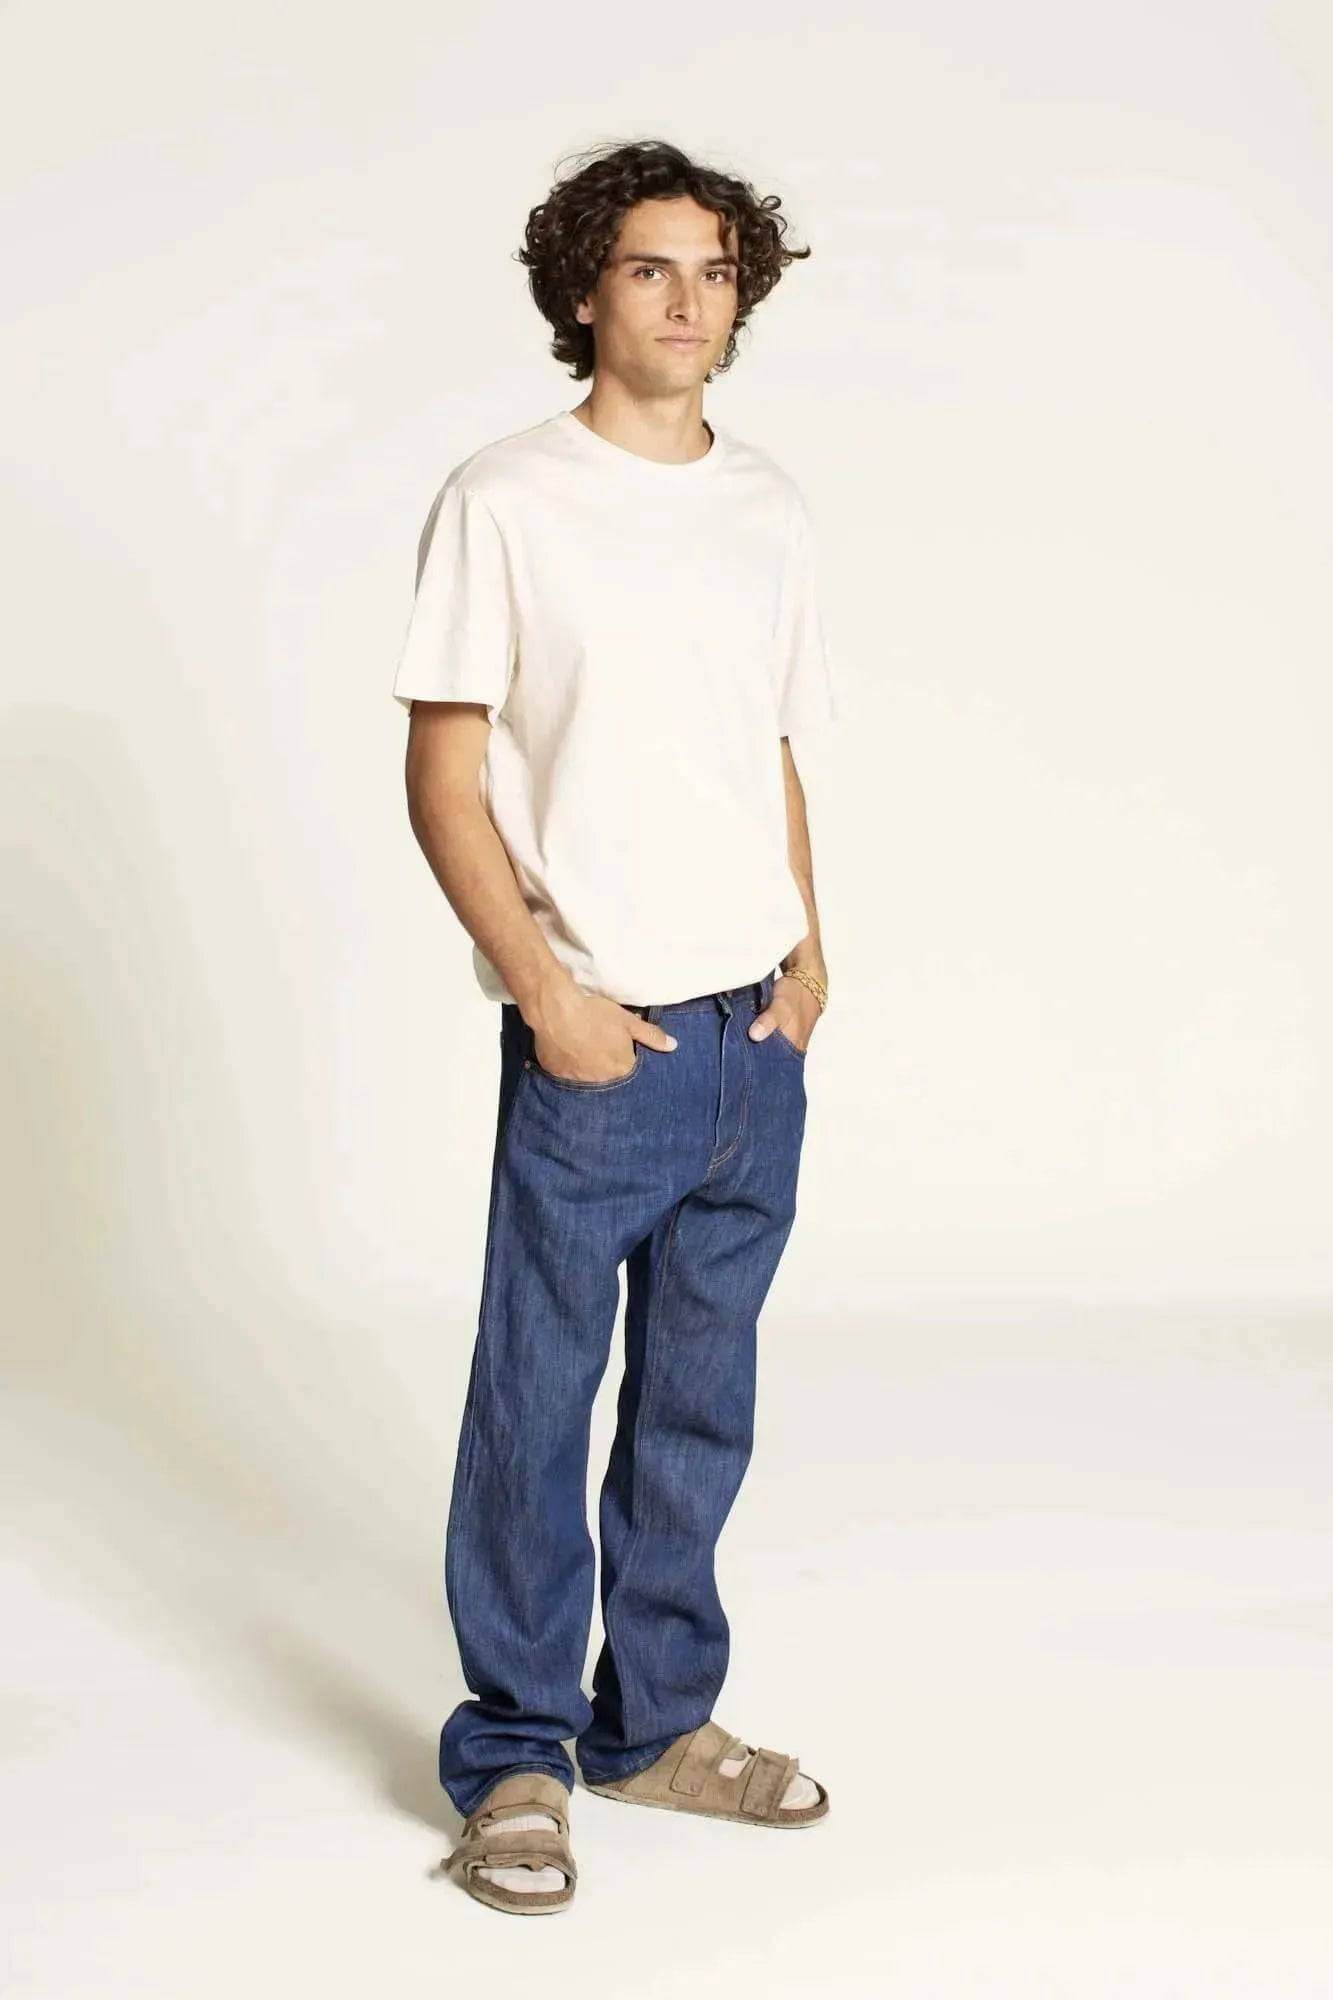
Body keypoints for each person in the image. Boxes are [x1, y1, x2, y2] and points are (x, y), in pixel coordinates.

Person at [392, 138, 838, 1915]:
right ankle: (514, 1753)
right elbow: (442, 777)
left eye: (715, 270)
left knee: (697, 1406)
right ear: (584, 288)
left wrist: (809, 961)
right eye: (650, 266)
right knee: (537, 1398)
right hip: (604, 1040)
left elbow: (768, 747)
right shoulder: (506, 498)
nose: (687, 300)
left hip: (753, 1035)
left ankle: (653, 1725)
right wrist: (546, 992)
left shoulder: (770, 506)